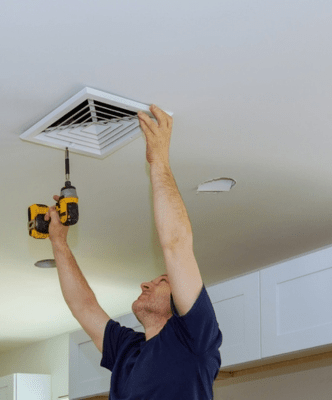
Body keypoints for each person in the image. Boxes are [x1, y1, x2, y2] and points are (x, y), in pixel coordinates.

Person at [45, 104, 222, 400]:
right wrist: (59, 243)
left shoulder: (194, 339)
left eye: (161, 281)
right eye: (159, 280)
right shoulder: (128, 349)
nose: (146, 283)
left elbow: (176, 245)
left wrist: (160, 162)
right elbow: (84, 306)